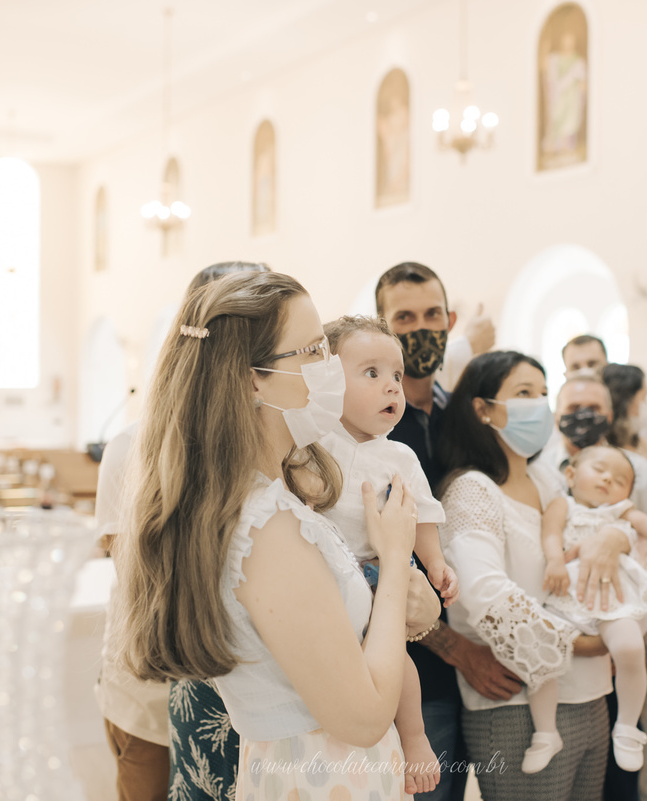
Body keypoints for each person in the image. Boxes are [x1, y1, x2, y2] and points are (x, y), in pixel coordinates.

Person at [113, 271, 441, 798]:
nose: (330, 366)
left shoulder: (269, 497)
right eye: (313, 351)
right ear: (253, 380)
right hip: (323, 777)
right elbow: (362, 719)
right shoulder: (266, 527)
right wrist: (397, 557)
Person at [97, 261, 271, 801]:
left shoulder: (280, 443)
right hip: (151, 693)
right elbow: (137, 573)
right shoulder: (133, 446)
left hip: (255, 693)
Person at [437, 351, 631, 800]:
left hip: (589, 694)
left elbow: (603, 520)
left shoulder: (547, 480)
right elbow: (485, 593)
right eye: (524, 393)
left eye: (544, 393)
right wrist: (580, 642)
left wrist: (613, 538)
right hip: (517, 704)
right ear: (483, 409)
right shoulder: (473, 489)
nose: (539, 405)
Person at [376, 261, 513, 801]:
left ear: (450, 321)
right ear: (382, 328)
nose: (421, 329)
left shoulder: (461, 415)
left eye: (432, 315)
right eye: (404, 318)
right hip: (415, 668)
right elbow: (371, 561)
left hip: (477, 650)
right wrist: (456, 649)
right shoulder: (371, 429)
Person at [319, 314, 460, 795]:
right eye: (372, 373)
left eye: (396, 375)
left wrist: (435, 563)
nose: (391, 387)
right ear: (327, 380)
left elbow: (422, 514)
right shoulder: (311, 444)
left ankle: (415, 738)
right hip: (321, 579)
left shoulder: (398, 456)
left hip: (377, 576)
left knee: (395, 660)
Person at [550, 370, 647, 801]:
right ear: (556, 412)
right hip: (563, 612)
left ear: (610, 414)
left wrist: (617, 538)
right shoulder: (541, 467)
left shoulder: (636, 467)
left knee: (618, 765)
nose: (583, 416)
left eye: (594, 408)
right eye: (573, 408)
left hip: (620, 604)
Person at [531, 446, 647, 774]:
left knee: (630, 647)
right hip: (567, 593)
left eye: (619, 480)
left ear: (627, 493)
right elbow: (550, 532)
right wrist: (555, 560)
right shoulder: (562, 504)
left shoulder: (621, 511)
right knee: (542, 654)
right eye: (600, 470)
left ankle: (627, 727)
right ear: (570, 475)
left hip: (612, 597)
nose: (607, 480)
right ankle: (545, 732)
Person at [564, 336, 647, 483]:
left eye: (592, 364)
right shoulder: (564, 423)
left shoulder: (641, 423)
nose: (585, 371)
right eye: (575, 367)